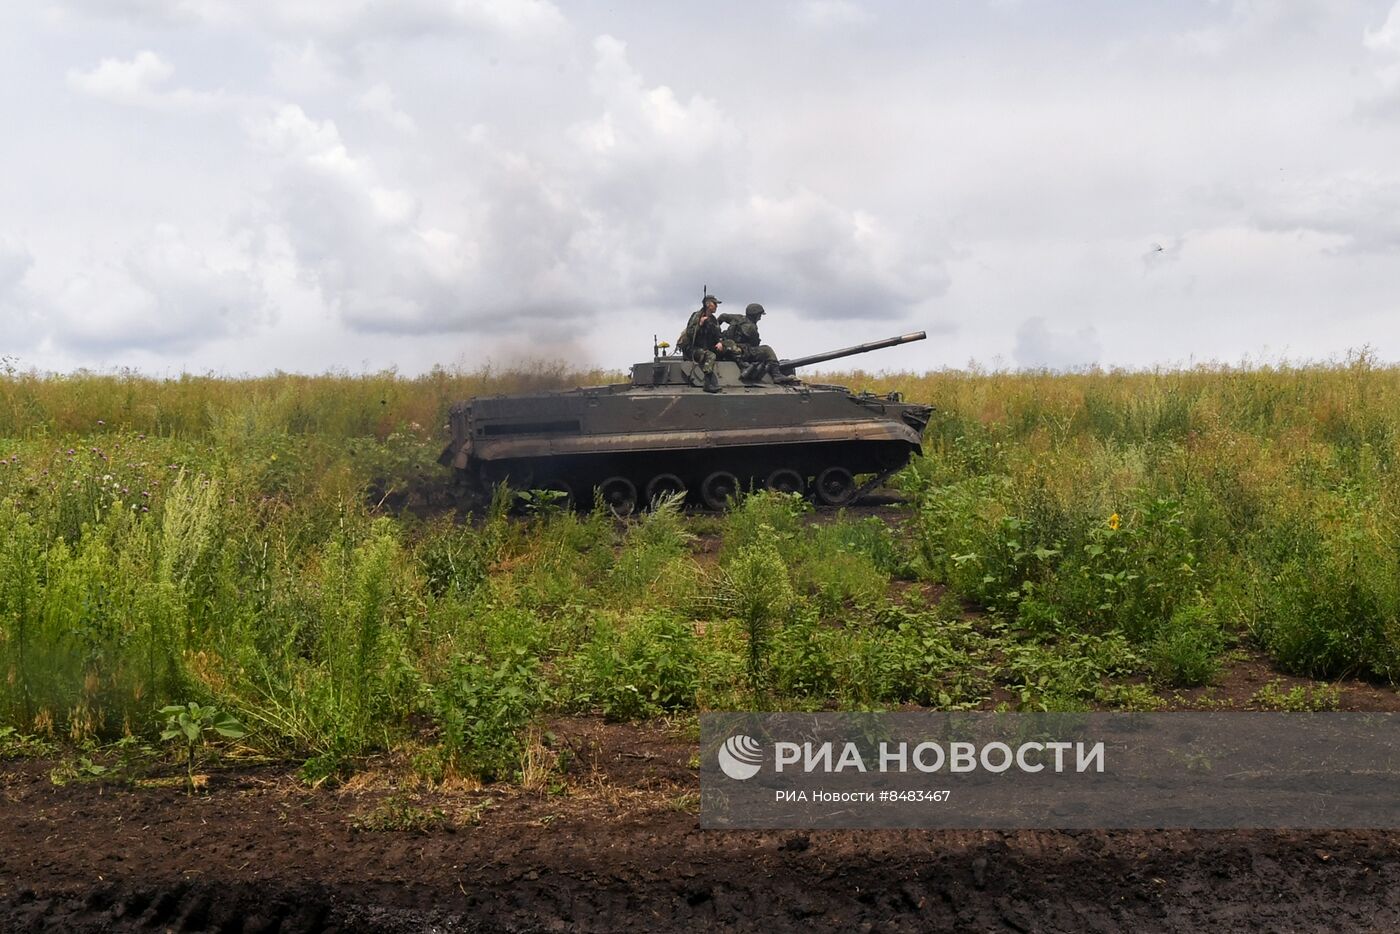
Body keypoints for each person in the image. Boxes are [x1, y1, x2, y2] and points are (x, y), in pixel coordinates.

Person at [719, 302, 797, 383]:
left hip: (728, 347)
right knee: (767, 350)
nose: (760, 318)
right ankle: (776, 375)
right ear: (755, 315)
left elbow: (722, 316)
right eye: (759, 315)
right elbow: (755, 344)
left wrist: (717, 330)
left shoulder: (737, 318)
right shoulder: (751, 328)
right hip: (742, 351)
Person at [679, 295, 728, 392]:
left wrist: (720, 342)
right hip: (693, 349)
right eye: (714, 304)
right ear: (708, 304)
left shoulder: (713, 320)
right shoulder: (696, 316)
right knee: (710, 356)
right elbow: (690, 333)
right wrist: (700, 324)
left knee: (728, 346)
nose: (716, 306)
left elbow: (718, 334)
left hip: (706, 347)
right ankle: (708, 383)